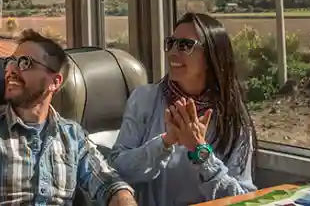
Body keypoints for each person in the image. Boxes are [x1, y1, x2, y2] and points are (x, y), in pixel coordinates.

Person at [0, 29, 136, 206]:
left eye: (24, 63)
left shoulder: (72, 136)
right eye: (9, 62)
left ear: (54, 82)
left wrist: (122, 198)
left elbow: (108, 183)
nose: (11, 70)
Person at [110, 12, 257, 205]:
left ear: (211, 57)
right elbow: (116, 169)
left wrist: (200, 152)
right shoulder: (144, 99)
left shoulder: (233, 119)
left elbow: (243, 199)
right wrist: (164, 143)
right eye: (171, 43)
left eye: (185, 45)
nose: (172, 52)